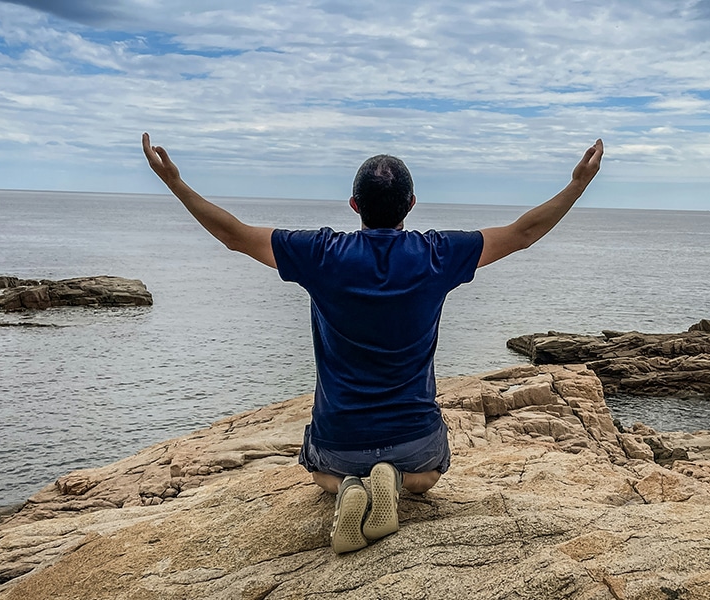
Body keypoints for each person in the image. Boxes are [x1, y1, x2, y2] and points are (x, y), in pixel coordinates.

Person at [142, 133, 604, 553]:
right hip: (415, 438)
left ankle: (347, 488)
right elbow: (523, 233)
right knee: (427, 477)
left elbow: (234, 235)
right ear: (411, 203)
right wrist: (577, 185)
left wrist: (176, 183)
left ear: (354, 205)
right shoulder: (437, 254)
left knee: (318, 469)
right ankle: (396, 481)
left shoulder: (320, 254)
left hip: (339, 437)